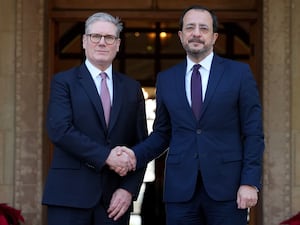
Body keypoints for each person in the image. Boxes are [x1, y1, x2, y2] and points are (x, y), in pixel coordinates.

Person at [112, 5, 265, 225]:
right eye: (190, 27)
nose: (196, 33)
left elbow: (253, 133)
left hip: (228, 190)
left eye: (203, 28)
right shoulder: (166, 79)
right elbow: (162, 134)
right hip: (180, 192)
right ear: (181, 36)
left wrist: (249, 182)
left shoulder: (239, 74)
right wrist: (134, 156)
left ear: (214, 37)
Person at [42, 12, 148, 225]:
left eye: (109, 38)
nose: (102, 42)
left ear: (117, 44)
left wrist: (128, 189)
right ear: (84, 41)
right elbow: (60, 130)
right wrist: (106, 156)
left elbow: (141, 145)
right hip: (69, 196)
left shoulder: (131, 88)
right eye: (95, 36)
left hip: (114, 201)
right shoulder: (64, 82)